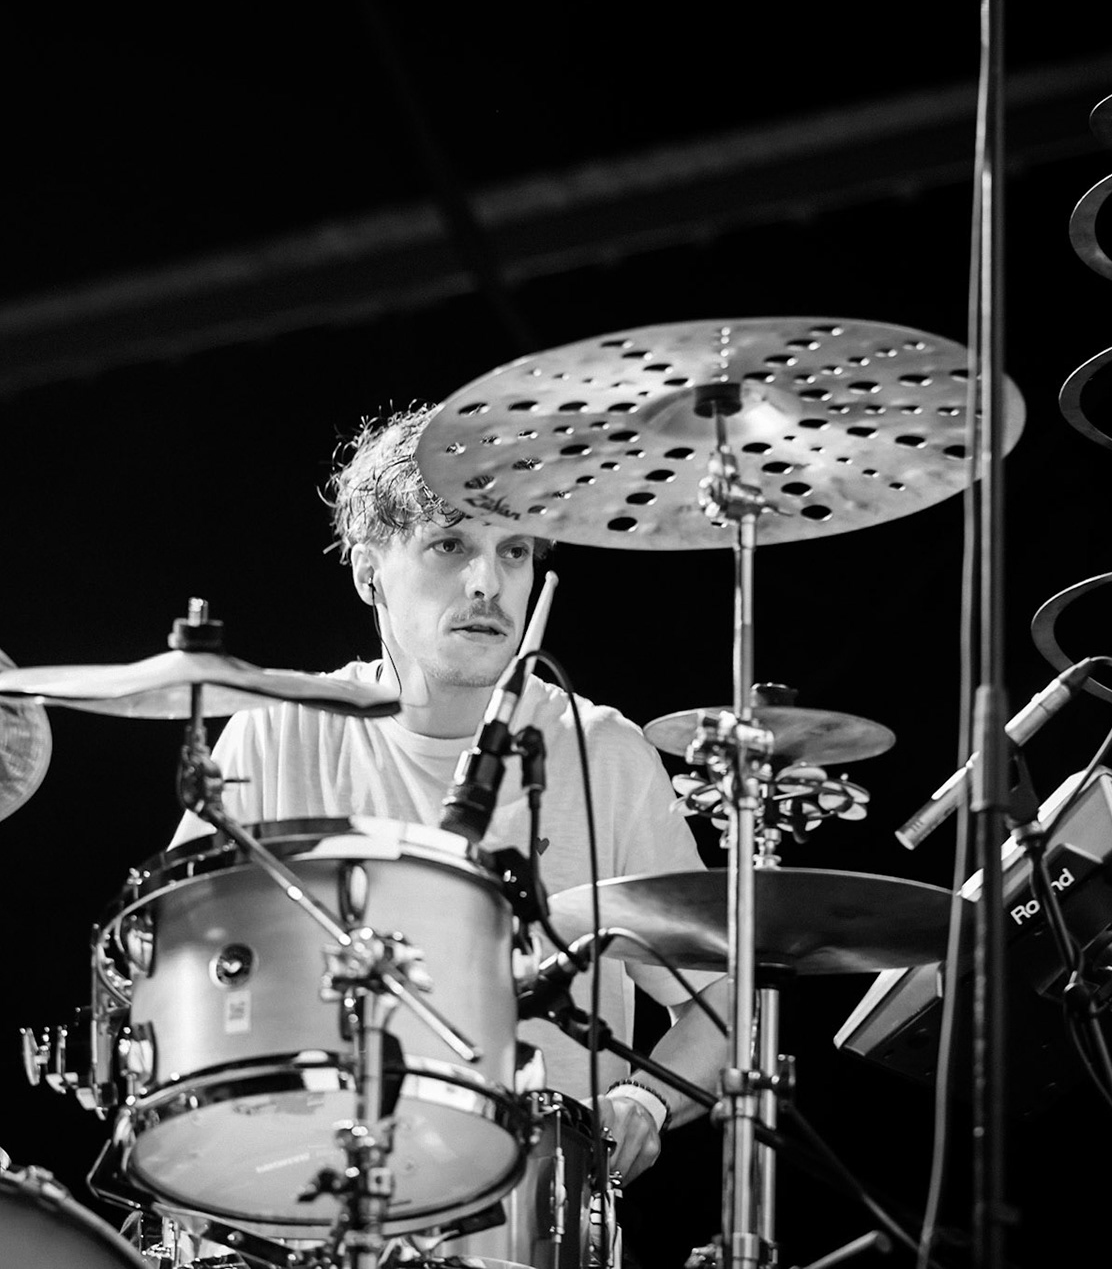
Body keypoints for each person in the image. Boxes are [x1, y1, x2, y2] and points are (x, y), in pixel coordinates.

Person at [174, 405, 729, 1187]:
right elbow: (182, 973)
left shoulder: (606, 754)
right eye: (450, 545)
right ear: (368, 567)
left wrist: (641, 1100)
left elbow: (722, 1007)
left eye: (515, 553)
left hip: (532, 1215)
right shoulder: (277, 735)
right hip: (310, 1190)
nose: (487, 583)